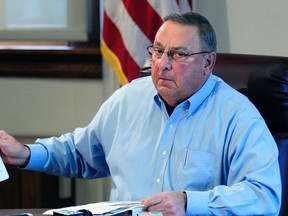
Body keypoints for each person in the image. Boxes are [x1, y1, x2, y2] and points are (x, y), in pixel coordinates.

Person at [0, 11, 281, 215]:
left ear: (208, 62)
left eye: (178, 54)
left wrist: (188, 202)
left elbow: (264, 196)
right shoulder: (129, 98)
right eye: (158, 51)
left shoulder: (237, 116)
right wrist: (24, 154)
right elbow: (81, 153)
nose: (163, 64)